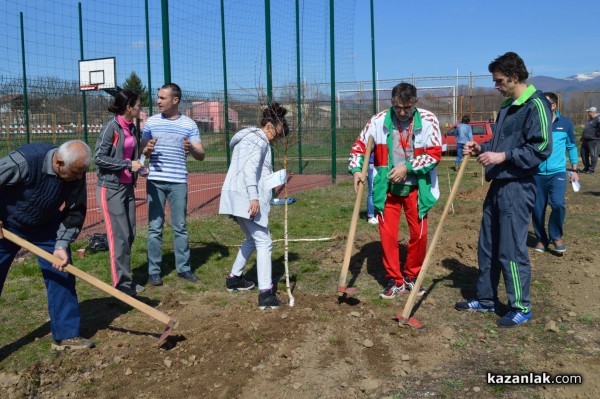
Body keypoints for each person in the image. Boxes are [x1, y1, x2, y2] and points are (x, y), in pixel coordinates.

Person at [455, 52, 552, 328]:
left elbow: (542, 147)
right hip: (497, 185)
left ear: (514, 76)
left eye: (499, 81)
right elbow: (501, 144)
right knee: (488, 246)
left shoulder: (536, 104)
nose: (496, 86)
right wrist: (481, 148)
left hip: (518, 187)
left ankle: (521, 306)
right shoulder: (509, 105)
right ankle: (486, 299)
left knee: (510, 249)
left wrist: (503, 157)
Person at [348, 83, 442, 299]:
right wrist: (355, 170)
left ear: (415, 103)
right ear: (391, 102)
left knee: (419, 235)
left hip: (417, 188)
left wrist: (407, 168)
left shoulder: (429, 120)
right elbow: (359, 147)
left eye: (406, 108)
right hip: (387, 189)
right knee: (388, 236)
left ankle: (411, 276)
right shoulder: (378, 121)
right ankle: (395, 280)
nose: (401, 112)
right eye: (397, 107)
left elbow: (434, 153)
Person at [0, 140, 95, 350]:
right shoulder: (26, 161)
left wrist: (61, 245)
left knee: (61, 272)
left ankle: (66, 335)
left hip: (45, 226)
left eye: (82, 172)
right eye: (75, 173)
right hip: (7, 224)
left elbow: (75, 210)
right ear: (59, 162)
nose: (79, 178)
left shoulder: (76, 172)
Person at [219, 103, 289, 310]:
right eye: (277, 132)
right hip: (245, 197)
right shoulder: (257, 139)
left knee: (252, 238)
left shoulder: (253, 139)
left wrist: (275, 181)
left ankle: (235, 278)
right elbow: (249, 170)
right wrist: (254, 198)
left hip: (240, 195)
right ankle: (266, 294)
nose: (277, 138)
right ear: (270, 125)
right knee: (264, 241)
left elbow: (258, 172)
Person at [141, 83, 205, 286]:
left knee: (180, 227)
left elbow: (201, 155)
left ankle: (184, 269)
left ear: (175, 100)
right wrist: (146, 150)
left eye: (162, 98)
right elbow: (142, 150)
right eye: (158, 97)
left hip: (178, 182)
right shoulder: (151, 122)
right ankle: (154, 271)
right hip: (155, 181)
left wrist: (191, 149)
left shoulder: (189, 124)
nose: (158, 101)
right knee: (154, 228)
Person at [95, 90, 145, 296]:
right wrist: (127, 164)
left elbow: (131, 156)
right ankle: (121, 283)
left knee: (130, 233)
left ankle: (126, 277)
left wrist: (140, 166)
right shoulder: (111, 128)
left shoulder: (132, 128)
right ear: (128, 107)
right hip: (111, 188)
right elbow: (98, 157)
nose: (140, 108)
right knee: (119, 236)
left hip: (127, 187)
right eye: (138, 105)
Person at [532, 92, 579, 254]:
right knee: (538, 208)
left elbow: (572, 146)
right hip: (536, 173)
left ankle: (556, 236)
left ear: (553, 106)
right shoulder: (535, 123)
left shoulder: (565, 123)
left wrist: (574, 169)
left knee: (558, 204)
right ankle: (541, 239)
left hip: (557, 172)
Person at [580, 106, 600, 173]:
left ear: (592, 112)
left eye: (589, 112)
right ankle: (586, 167)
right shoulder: (590, 119)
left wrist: (596, 134)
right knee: (583, 154)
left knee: (593, 155)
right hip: (585, 140)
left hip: (593, 140)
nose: (588, 113)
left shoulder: (598, 119)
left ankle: (591, 169)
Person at [366, 151, 378, 224]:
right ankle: (370, 216)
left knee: (381, 191)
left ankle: (378, 214)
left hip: (383, 164)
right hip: (372, 164)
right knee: (371, 191)